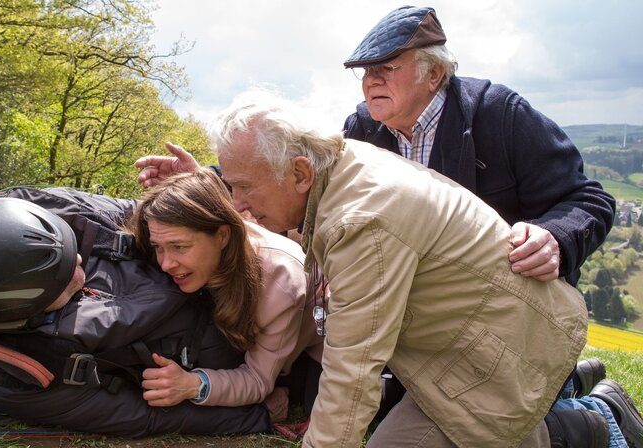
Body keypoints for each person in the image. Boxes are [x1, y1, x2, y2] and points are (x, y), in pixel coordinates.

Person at [182, 92, 643, 447]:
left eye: (243, 188)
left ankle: (594, 421)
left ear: (300, 173)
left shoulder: (361, 220)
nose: (238, 204)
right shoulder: (339, 165)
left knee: (488, 428)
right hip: (465, 347)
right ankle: (589, 413)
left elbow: (352, 368)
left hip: (500, 351)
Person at [0, 189, 273, 437]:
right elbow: (139, 417)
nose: (80, 262)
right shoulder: (12, 376)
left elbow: (153, 213)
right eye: (66, 281)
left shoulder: (29, 212)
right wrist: (257, 418)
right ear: (21, 313)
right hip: (222, 361)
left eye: (71, 251)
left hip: (240, 277)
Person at [341, 6, 615, 287]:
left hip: (501, 300)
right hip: (410, 300)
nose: (372, 80)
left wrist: (556, 237)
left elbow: (588, 200)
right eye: (367, 70)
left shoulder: (500, 115)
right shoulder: (361, 131)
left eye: (387, 68)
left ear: (434, 73)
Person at [128, 170, 323, 418]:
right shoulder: (208, 242)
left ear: (222, 236)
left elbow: (258, 379)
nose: (166, 264)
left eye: (180, 247)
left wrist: (192, 385)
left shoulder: (282, 283)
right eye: (158, 248)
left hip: (307, 354)